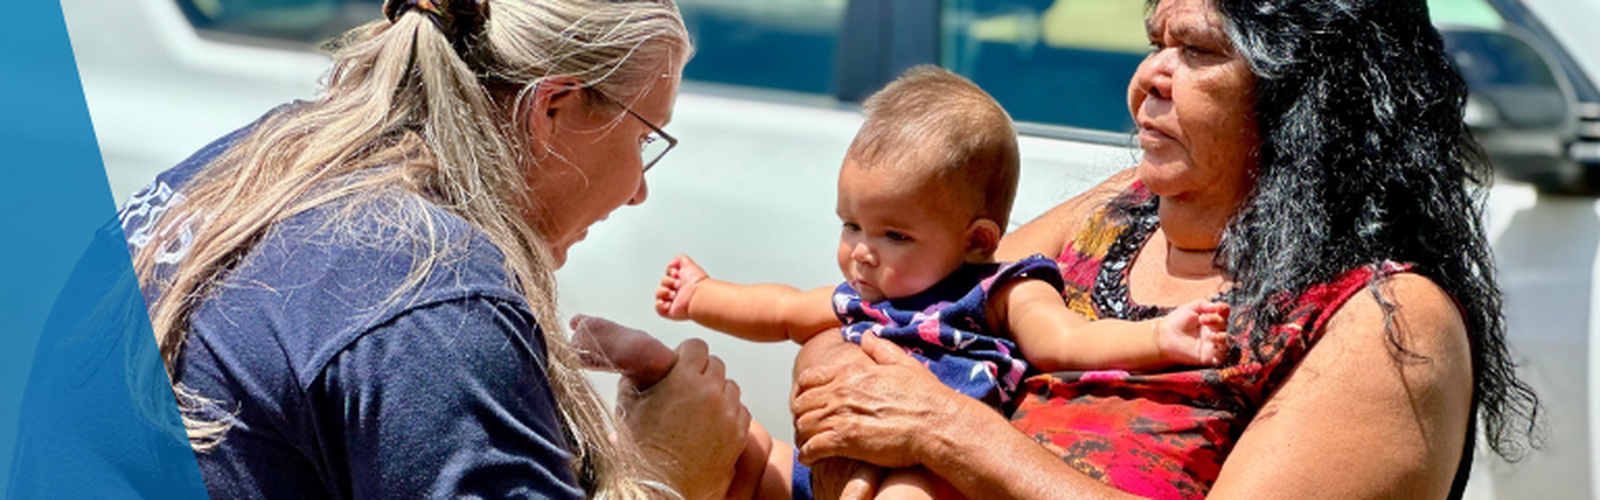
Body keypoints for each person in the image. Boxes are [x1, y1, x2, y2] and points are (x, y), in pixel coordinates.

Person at [788, 0, 1542, 498]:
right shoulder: (1119, 209)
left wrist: (951, 435)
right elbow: (900, 317)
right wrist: (834, 380)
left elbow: (929, 412)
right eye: (1155, 43)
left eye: (1198, 50)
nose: (1148, 78)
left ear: (1307, 97)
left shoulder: (1386, 322)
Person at [118, 0, 757, 498]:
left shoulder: (258, 157)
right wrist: (668, 468)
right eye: (646, 140)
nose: (640, 191)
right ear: (552, 110)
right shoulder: (435, 298)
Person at [656, 66, 1228, 499]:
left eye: (894, 236)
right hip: (827, 460)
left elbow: (1067, 341)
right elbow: (780, 311)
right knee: (733, 444)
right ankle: (644, 364)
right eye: (851, 225)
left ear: (977, 240)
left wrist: (1159, 338)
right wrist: (701, 295)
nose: (862, 252)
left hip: (927, 472)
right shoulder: (865, 300)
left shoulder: (998, 290)